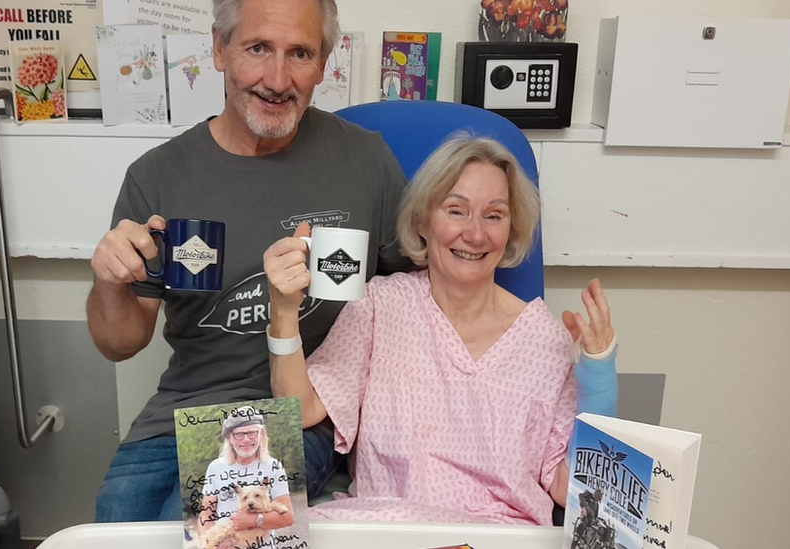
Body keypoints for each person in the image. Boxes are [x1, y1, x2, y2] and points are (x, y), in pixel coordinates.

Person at [89, 0, 410, 522]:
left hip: (296, 413)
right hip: (177, 415)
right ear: (218, 48)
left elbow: (418, 298)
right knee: (115, 524)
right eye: (258, 48)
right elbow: (119, 344)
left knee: (194, 527)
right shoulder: (157, 175)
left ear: (324, 64)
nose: (277, 78)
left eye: (300, 53)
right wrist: (108, 283)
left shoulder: (365, 160)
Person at [264, 134, 618, 525]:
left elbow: (572, 490)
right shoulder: (380, 305)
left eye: (494, 215)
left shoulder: (546, 341)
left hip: (501, 537)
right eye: (456, 211)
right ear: (422, 221)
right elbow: (301, 408)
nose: (476, 234)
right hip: (389, 531)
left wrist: (598, 373)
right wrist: (283, 311)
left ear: (511, 229)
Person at [199, 406, 294, 533]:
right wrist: (210, 545)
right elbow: (206, 516)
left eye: (252, 433)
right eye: (238, 434)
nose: (246, 439)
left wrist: (253, 520)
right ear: (229, 438)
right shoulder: (215, 467)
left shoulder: (273, 466)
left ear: (261, 435)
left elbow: (287, 518)